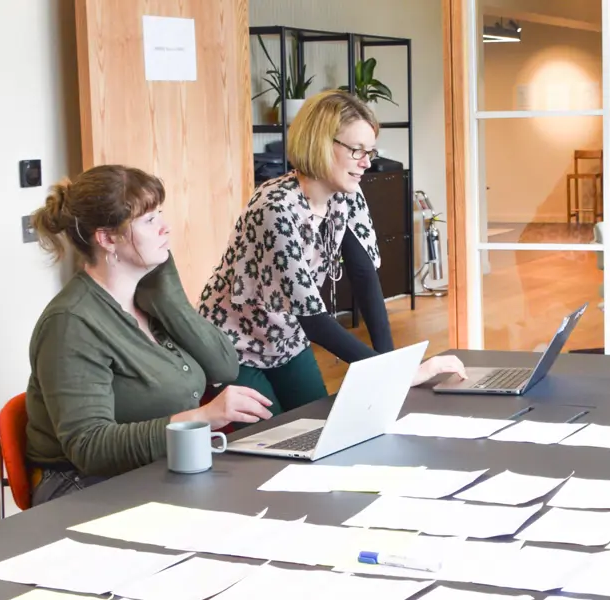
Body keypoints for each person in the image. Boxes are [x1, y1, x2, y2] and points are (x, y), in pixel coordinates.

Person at [198, 90, 464, 415]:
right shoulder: (275, 209)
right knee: (267, 443)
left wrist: (391, 367)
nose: (367, 162)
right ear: (322, 144)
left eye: (370, 151)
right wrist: (394, 373)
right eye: (357, 151)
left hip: (287, 338)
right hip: (233, 346)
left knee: (316, 427)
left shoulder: (346, 194)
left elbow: (364, 274)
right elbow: (314, 321)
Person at [25, 165, 274, 506]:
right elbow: (89, 447)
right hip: (82, 486)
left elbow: (224, 367)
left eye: (160, 214)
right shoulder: (71, 323)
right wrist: (202, 418)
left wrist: (169, 292)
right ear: (108, 238)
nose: (165, 227)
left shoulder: (148, 299)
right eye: (148, 220)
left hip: (152, 469)